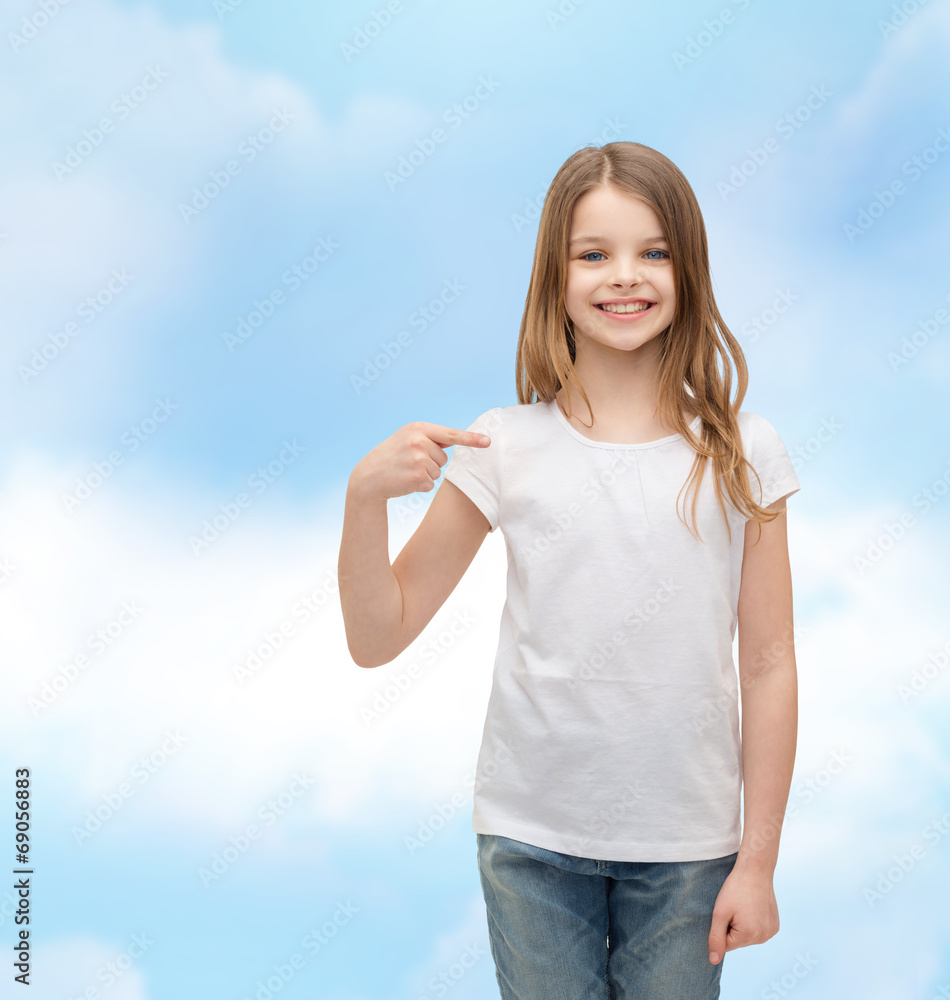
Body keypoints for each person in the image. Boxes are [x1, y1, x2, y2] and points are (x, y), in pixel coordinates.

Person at [338, 140, 801, 1000]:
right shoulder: (502, 447)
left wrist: (758, 862)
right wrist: (365, 501)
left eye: (653, 251)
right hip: (531, 846)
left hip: (690, 853)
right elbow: (379, 635)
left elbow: (769, 663)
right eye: (594, 254)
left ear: (688, 269)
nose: (625, 276)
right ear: (556, 277)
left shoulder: (743, 452)